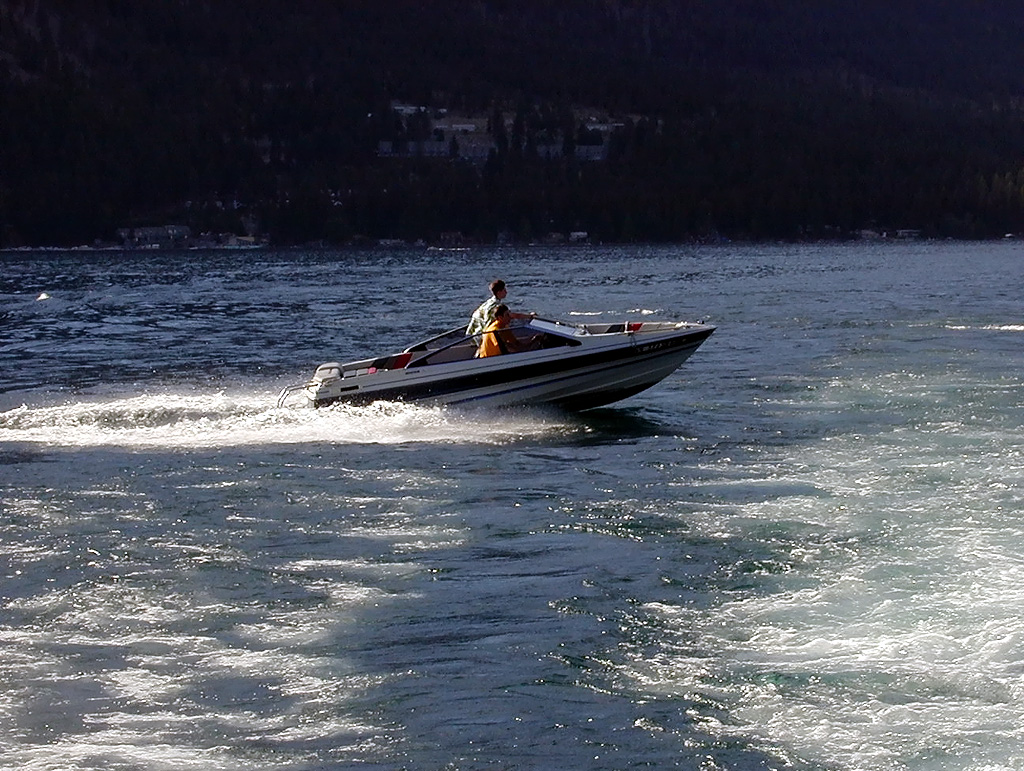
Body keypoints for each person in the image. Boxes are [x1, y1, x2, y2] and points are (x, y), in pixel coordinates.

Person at [467, 279, 533, 336]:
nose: (506, 292)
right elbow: (512, 315)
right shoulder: (497, 306)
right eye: (504, 290)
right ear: (499, 292)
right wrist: (530, 316)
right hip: (486, 335)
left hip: (476, 333)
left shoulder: (487, 303)